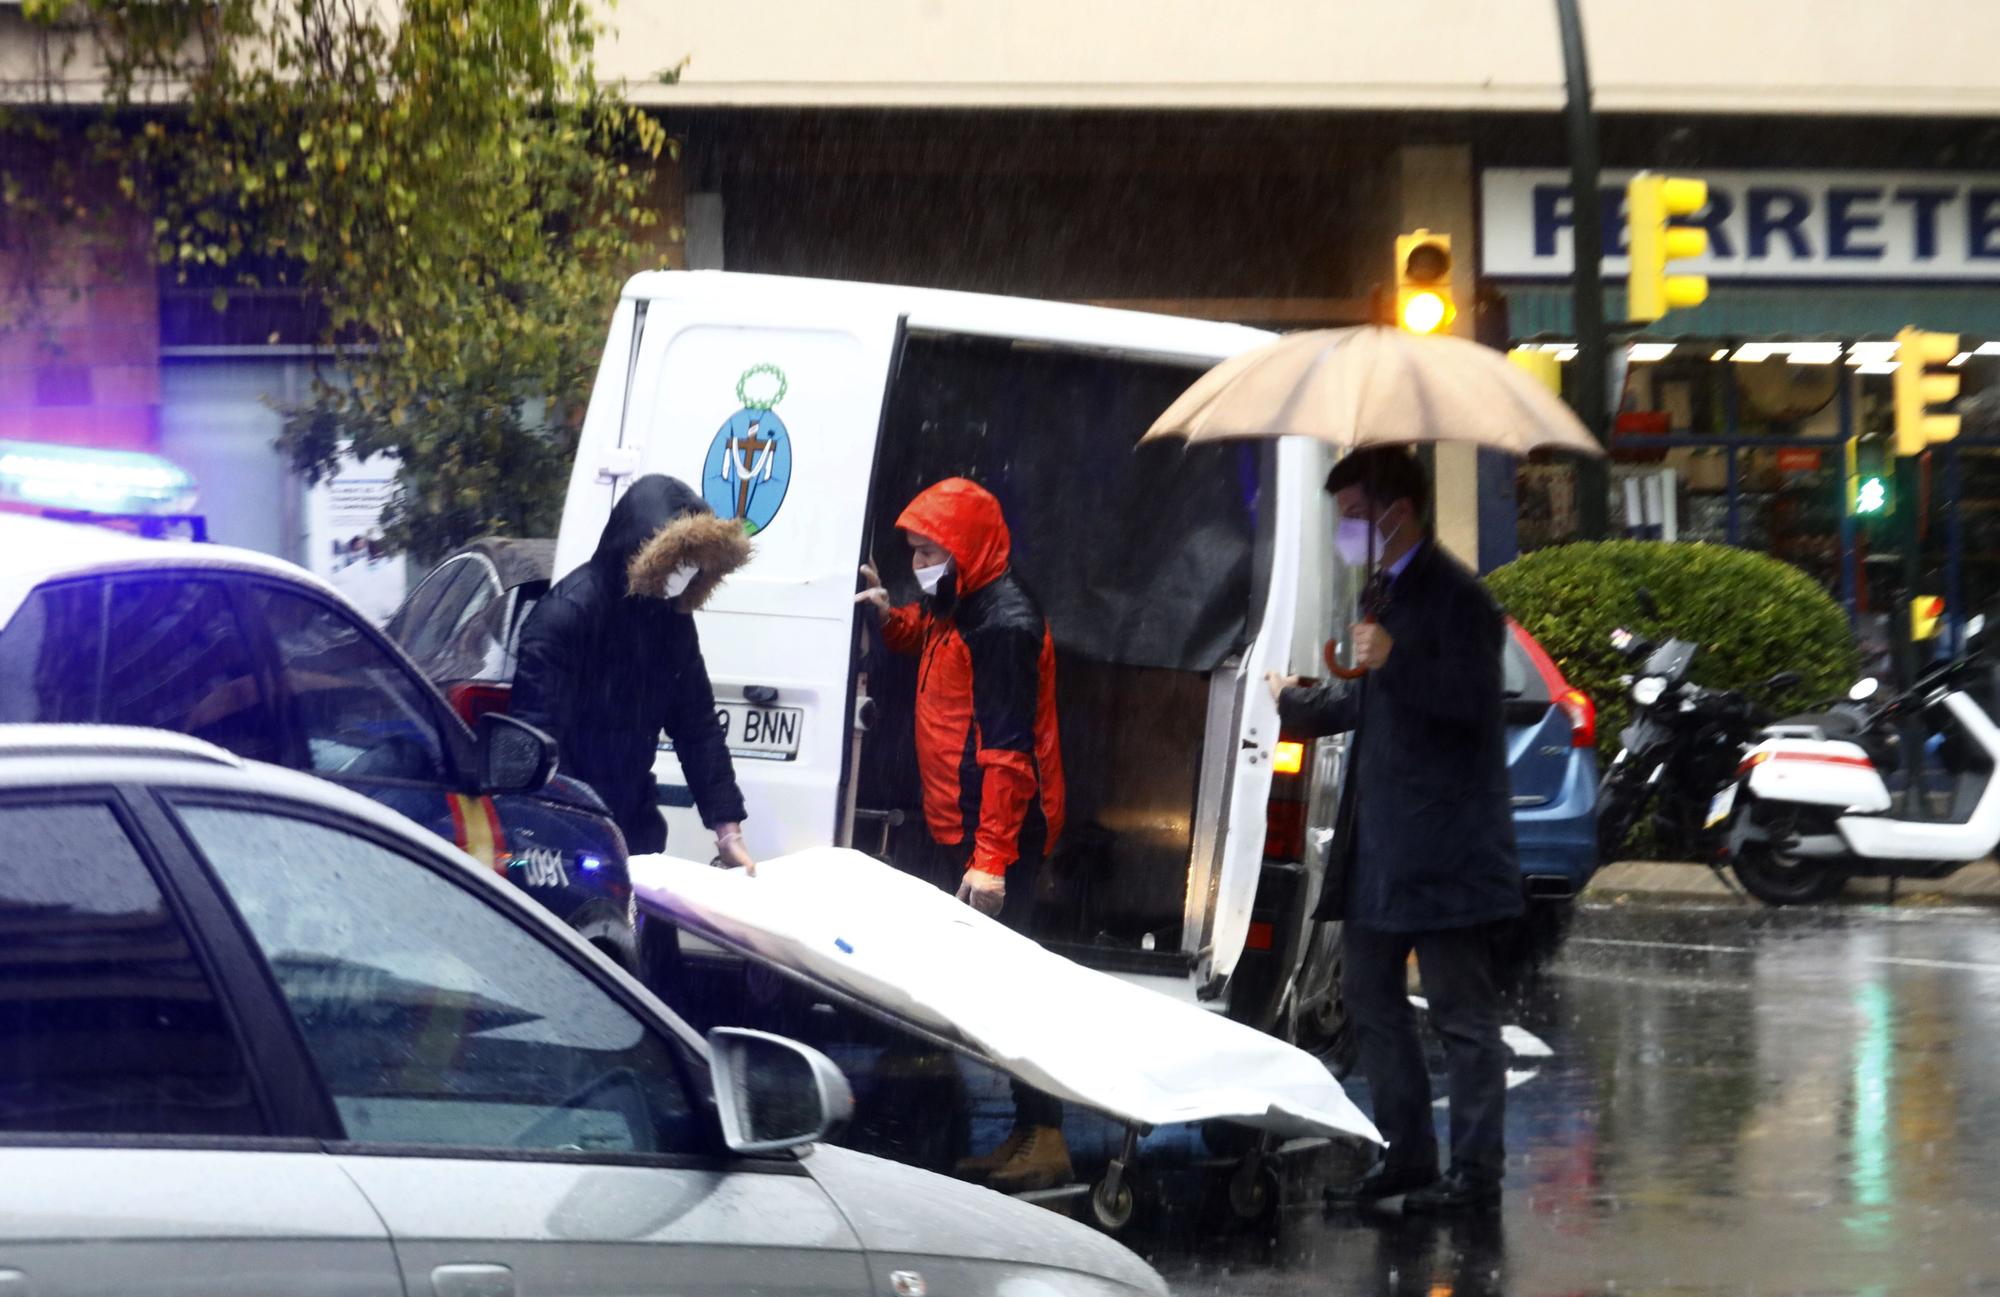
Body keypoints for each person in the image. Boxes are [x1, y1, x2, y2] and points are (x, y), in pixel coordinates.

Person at [1266, 447, 1522, 1215]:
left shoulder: (1458, 597)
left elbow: (1474, 703)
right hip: (1382, 846)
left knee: (1462, 1016)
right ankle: (1407, 1154)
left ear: (1395, 512)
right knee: (1370, 999)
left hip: (1443, 847)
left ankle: (1475, 1175)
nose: (1345, 532)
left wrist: (1397, 656)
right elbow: (1378, 705)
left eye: (1352, 516)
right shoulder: (1384, 590)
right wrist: (1299, 705)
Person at [856, 477, 1071, 1193]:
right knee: (970, 977)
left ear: (963, 547)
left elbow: (1009, 749)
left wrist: (990, 861)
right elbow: (925, 633)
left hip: (996, 832)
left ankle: (1044, 1135)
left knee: (1013, 988)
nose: (919, 563)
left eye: (926, 550)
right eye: (914, 551)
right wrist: (890, 617)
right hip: (958, 819)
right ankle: (1024, 1129)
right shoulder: (963, 600)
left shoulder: (1002, 621)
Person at [514, 474, 755, 869]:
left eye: (695, 565)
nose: (686, 574)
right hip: (566, 833)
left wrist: (727, 829)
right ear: (644, 553)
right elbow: (537, 740)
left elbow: (698, 726)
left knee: (651, 930)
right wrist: (570, 828)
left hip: (635, 826)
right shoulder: (565, 616)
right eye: (680, 560)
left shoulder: (670, 619)